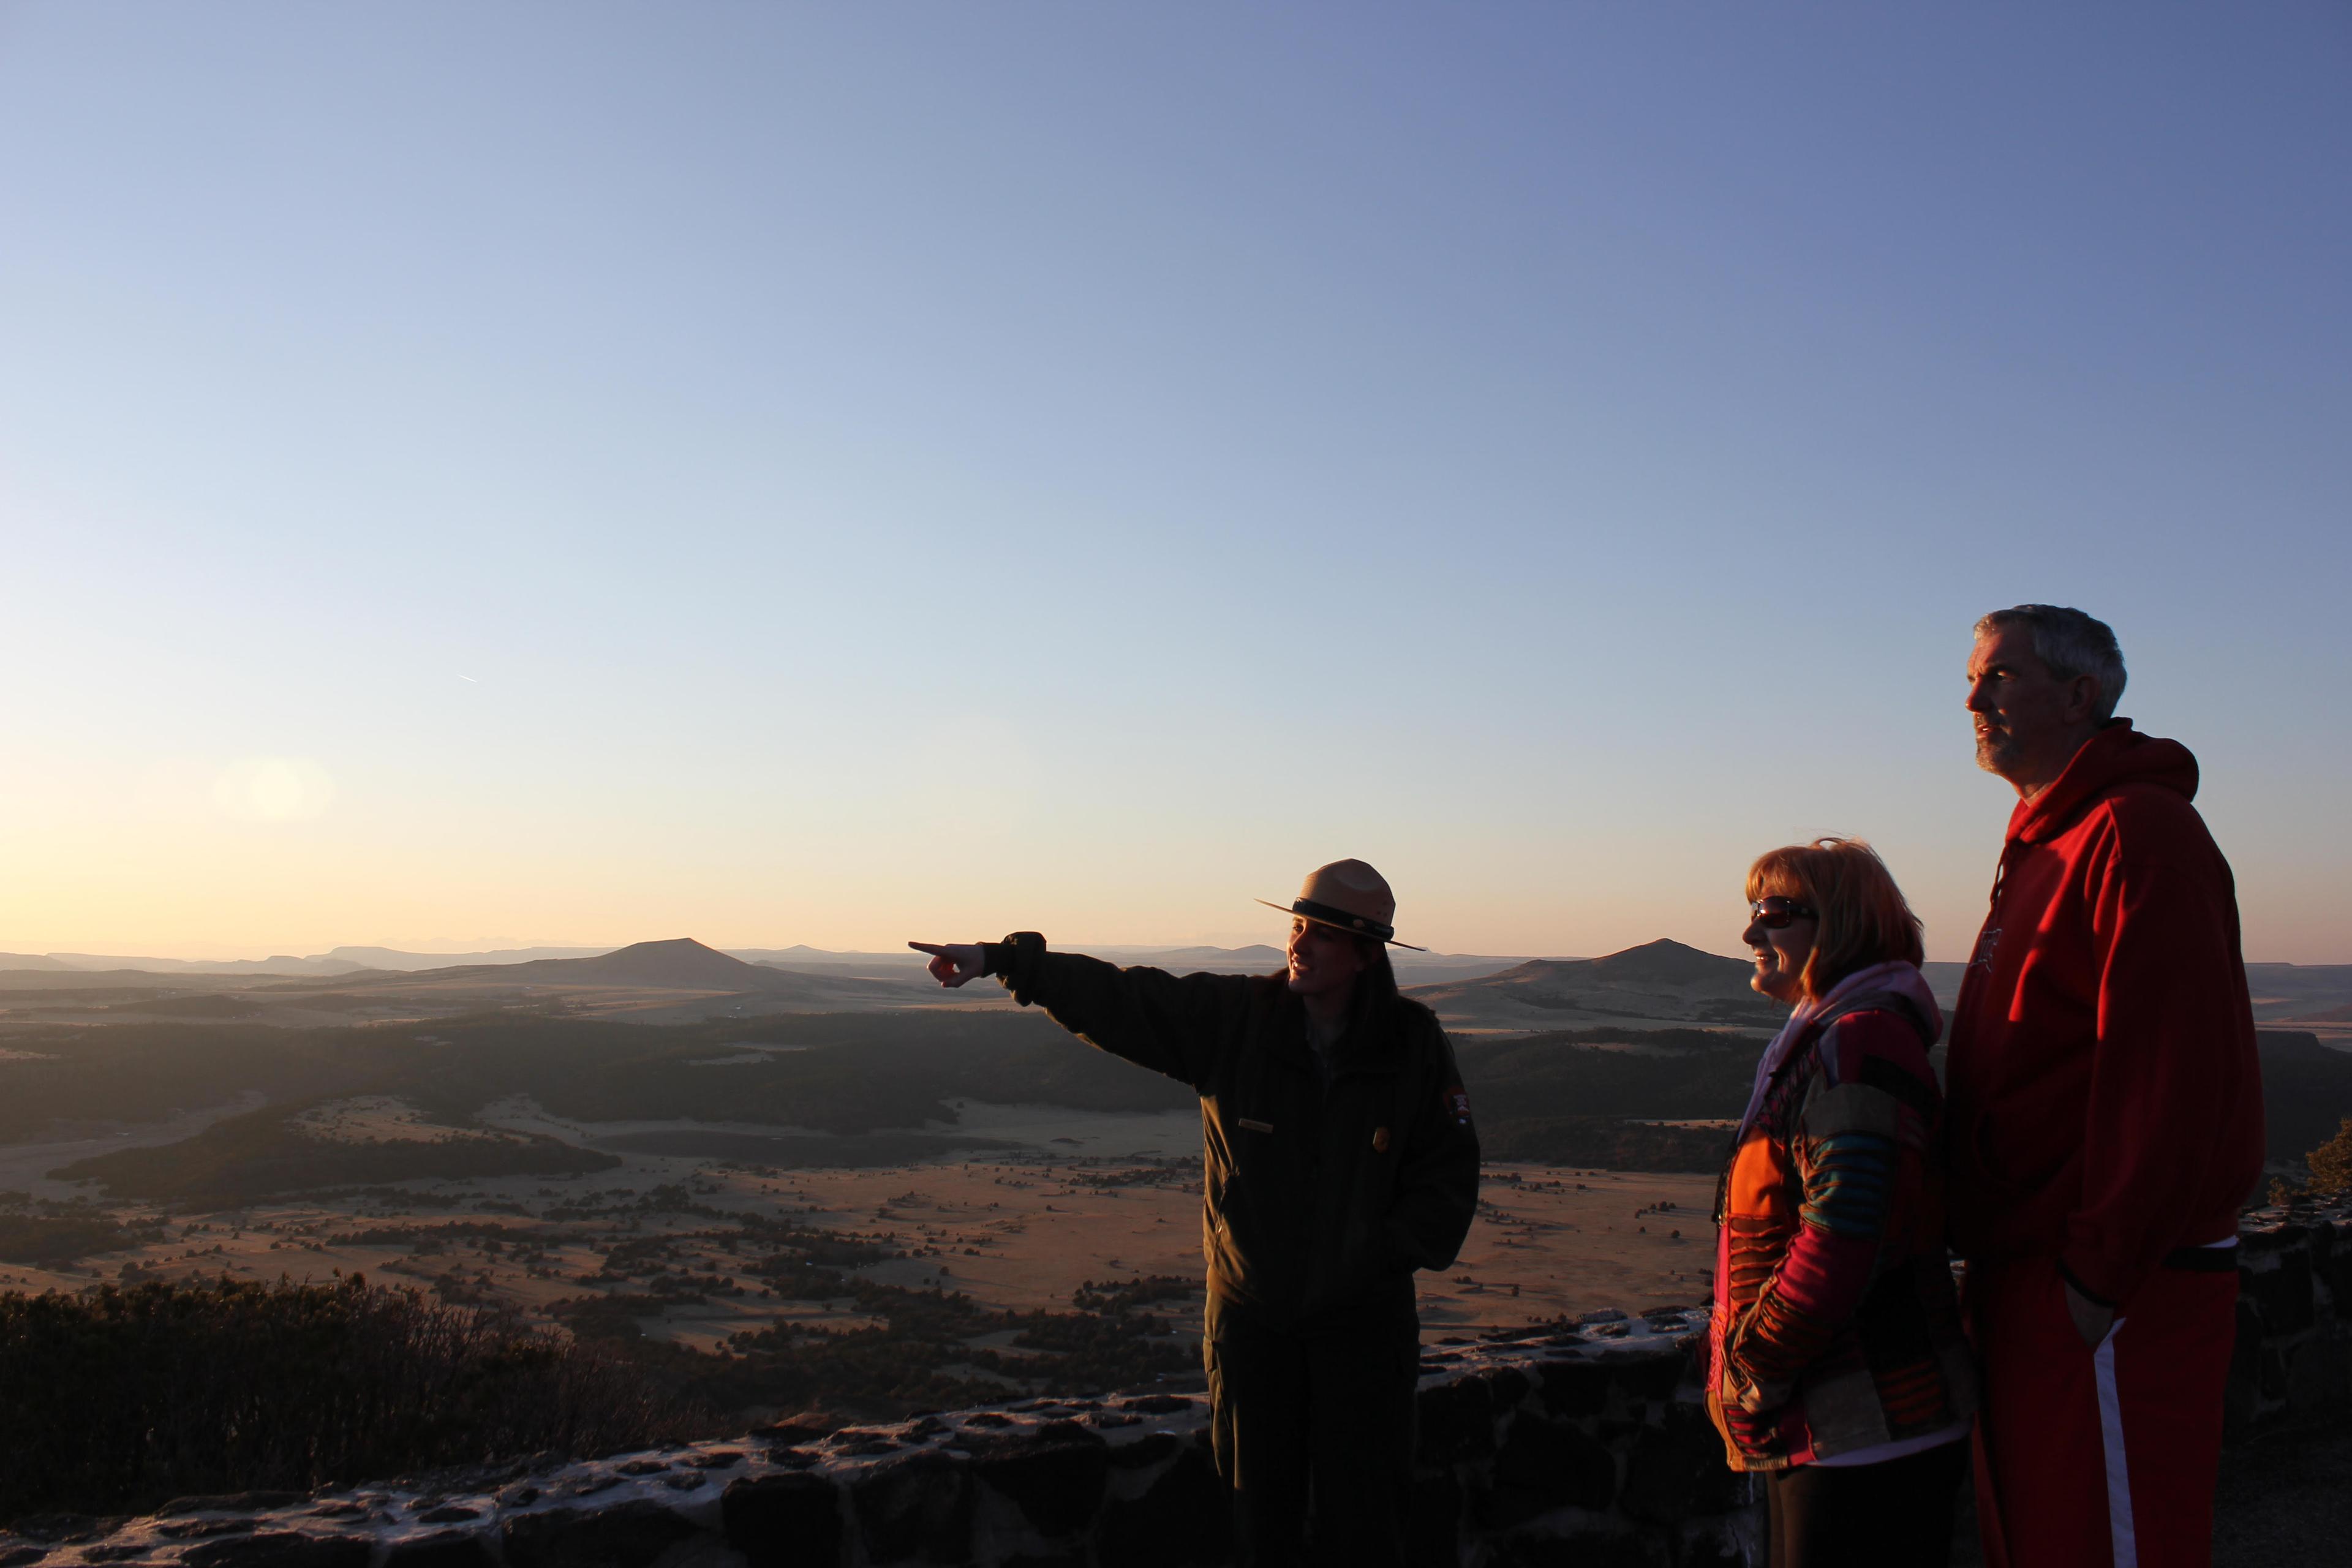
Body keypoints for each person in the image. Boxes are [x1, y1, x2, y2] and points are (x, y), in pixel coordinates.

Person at [909, 859, 1479, 1568]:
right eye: (1297, 925)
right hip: (1253, 1330)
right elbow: (1125, 1000)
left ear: (1366, 955)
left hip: (1364, 1336)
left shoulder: (1413, 1046)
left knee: (1365, 1529)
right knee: (1257, 1525)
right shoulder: (1240, 1022)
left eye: (1322, 935)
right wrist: (1004, 960)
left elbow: (1448, 1175)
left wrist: (1377, 1257)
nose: (1298, 943)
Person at [1945, 605, 2263, 1568]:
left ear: (2079, 694)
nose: (1973, 698)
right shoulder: (2051, 839)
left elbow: (2171, 1078)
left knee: (2112, 1543)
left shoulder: (2138, 836)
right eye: (1973, 677)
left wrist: (2094, 1286)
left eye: (2000, 677)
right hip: (2043, 1278)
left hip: (2111, 1292)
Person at [1708, 837, 1978, 1568]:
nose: (1751, 933)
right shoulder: (1841, 1037)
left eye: (1774, 912)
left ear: (1843, 924)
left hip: (1867, 1423)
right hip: (1844, 1419)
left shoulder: (1858, 1043)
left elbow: (1845, 1229)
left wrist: (1758, 1363)